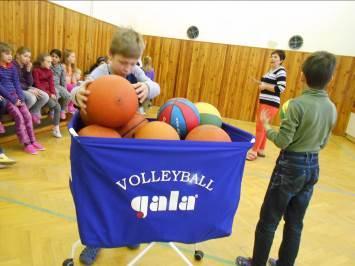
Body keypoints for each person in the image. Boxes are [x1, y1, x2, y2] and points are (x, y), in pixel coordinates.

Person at [236, 51, 337, 266]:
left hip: (290, 166)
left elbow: (283, 141)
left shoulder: (297, 105)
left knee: (269, 220)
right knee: (295, 223)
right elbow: (323, 143)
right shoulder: (331, 108)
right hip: (312, 167)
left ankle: (258, 263)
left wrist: (266, 127)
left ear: (302, 76)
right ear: (330, 79)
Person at [71, 27, 160, 265]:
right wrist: (77, 93)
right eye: (123, 62)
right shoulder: (101, 72)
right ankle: (95, 240)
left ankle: (130, 231)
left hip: (129, 143)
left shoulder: (137, 72)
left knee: (131, 190)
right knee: (102, 191)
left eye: (133, 63)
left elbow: (156, 87)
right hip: (104, 142)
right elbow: (80, 88)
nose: (128, 69)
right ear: (110, 55)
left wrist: (148, 88)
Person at [0, 42, 44, 154]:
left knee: (28, 116)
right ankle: (26, 144)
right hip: (8, 99)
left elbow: (16, 83)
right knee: (19, 117)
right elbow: (1, 88)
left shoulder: (12, 68)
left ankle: (33, 141)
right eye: (7, 54)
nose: (10, 56)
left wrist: (21, 99)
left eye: (11, 54)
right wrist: (14, 100)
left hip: (17, 97)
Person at [247, 50, 287, 161]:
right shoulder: (271, 70)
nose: (272, 58)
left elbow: (281, 88)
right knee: (263, 126)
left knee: (260, 126)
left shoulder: (281, 71)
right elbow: (268, 85)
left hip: (270, 103)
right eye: (272, 56)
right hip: (264, 102)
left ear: (281, 60)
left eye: (275, 57)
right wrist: (259, 83)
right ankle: (261, 149)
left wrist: (264, 86)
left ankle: (253, 152)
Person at [13, 47, 49, 125]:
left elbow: (30, 83)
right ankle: (21, 114)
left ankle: (32, 112)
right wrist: (28, 89)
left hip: (25, 87)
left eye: (29, 57)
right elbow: (15, 83)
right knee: (31, 98)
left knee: (45, 96)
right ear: (18, 55)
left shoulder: (26, 66)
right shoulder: (13, 66)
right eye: (25, 56)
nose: (28, 59)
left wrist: (28, 71)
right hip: (16, 88)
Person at [32, 53, 62, 138]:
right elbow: (38, 85)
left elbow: (51, 84)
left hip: (49, 93)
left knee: (58, 107)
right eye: (48, 62)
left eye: (50, 62)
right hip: (41, 93)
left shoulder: (49, 71)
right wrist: (49, 94)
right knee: (57, 107)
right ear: (42, 62)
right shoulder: (36, 71)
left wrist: (53, 93)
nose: (50, 64)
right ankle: (56, 128)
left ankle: (56, 128)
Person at [50, 49, 71, 120]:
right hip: (50, 86)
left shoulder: (61, 67)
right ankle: (53, 110)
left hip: (58, 85)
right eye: (52, 56)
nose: (54, 58)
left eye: (56, 57)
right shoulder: (48, 65)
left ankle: (62, 110)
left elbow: (63, 79)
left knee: (68, 96)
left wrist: (64, 89)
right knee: (56, 94)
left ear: (59, 59)